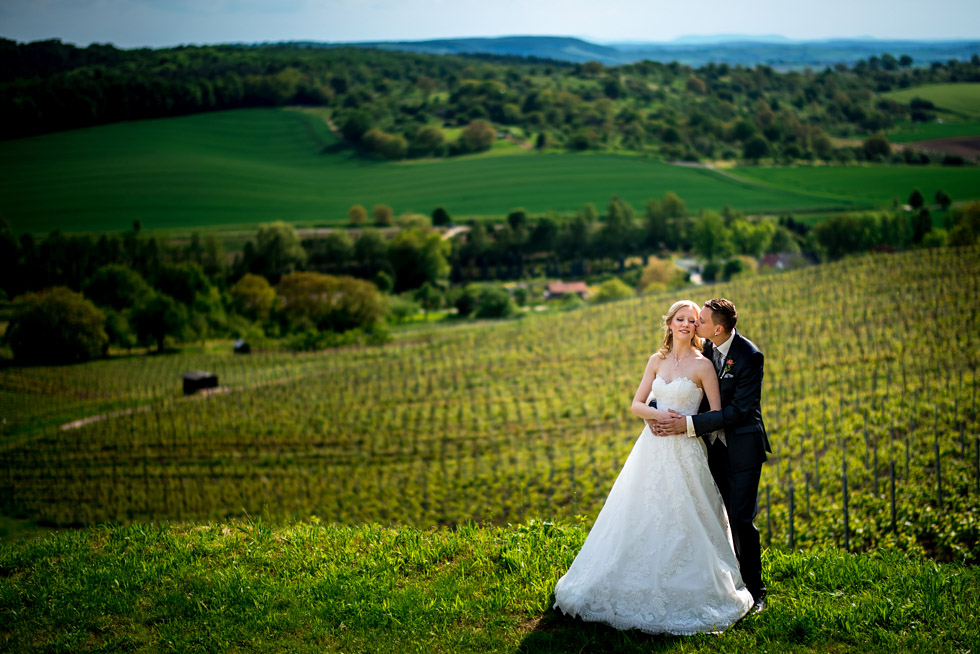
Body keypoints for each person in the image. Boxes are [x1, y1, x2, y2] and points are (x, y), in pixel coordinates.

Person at [553, 300, 753, 635]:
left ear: (698, 327)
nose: (686, 324)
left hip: (685, 449)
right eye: (680, 319)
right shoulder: (656, 360)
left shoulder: (703, 365)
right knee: (642, 509)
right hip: (652, 445)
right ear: (670, 323)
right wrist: (656, 416)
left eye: (692, 320)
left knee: (683, 515)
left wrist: (683, 425)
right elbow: (636, 404)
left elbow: (716, 415)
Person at [651, 298, 771, 613]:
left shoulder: (749, 356)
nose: (694, 324)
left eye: (700, 321)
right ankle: (723, 579)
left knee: (741, 519)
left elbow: (738, 411)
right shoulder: (705, 349)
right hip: (709, 449)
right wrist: (656, 410)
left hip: (742, 449)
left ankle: (756, 590)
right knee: (715, 516)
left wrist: (688, 424)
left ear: (717, 329)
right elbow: (676, 379)